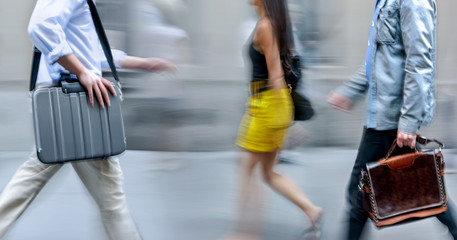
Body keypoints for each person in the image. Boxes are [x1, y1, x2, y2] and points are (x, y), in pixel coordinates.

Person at [0, 0, 174, 239]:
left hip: (67, 100)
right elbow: (40, 27)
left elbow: (88, 53)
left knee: (32, 175)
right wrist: (82, 72)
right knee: (111, 194)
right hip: (76, 99)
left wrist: (141, 63)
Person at [327, 0, 457, 239]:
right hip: (383, 114)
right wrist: (350, 91)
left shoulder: (412, 2)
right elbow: (379, 61)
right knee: (424, 185)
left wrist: (408, 121)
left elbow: (419, 63)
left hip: (392, 118)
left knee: (359, 194)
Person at [227, 0, 323, 239]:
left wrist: (283, 118)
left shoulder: (266, 26)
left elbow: (276, 74)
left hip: (264, 107)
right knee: (267, 173)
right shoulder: (270, 24)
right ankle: (311, 209)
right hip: (266, 105)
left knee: (247, 171)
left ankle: (246, 233)